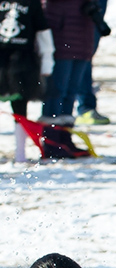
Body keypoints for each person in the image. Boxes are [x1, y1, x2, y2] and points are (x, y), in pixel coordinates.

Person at [0, 0, 54, 161]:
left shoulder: (32, 3)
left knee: (20, 106)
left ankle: (20, 154)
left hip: (23, 61)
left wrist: (47, 62)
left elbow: (43, 31)